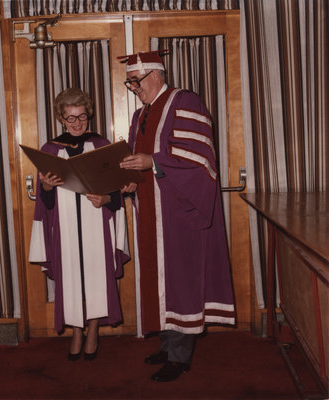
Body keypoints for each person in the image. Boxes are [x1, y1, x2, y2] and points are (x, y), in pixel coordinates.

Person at [119, 51, 235, 382]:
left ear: (154, 74)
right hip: (151, 214)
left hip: (179, 213)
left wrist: (151, 163)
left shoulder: (185, 102)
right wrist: (130, 178)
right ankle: (168, 345)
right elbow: (139, 161)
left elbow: (198, 159)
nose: (133, 88)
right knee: (160, 282)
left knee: (180, 281)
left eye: (135, 81)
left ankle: (180, 358)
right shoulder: (141, 114)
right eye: (130, 82)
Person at [29, 88, 129, 362]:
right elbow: (45, 202)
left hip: (96, 220)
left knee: (97, 274)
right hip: (65, 224)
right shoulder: (50, 149)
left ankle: (93, 329)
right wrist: (46, 187)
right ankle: (76, 330)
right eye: (70, 118)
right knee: (70, 276)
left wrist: (107, 198)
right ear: (61, 118)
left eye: (82, 116)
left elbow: (117, 191)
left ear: (89, 115)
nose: (77, 123)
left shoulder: (101, 145)